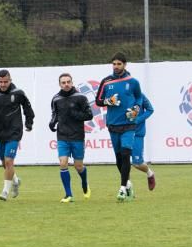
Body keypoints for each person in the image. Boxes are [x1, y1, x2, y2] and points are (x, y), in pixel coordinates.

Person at [95, 53, 145, 202]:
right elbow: (98, 101)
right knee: (118, 158)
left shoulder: (133, 82)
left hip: (129, 124)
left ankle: (122, 188)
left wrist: (136, 108)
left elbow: (139, 98)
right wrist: (108, 101)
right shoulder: (106, 81)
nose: (116, 66)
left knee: (125, 154)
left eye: (119, 64)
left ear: (125, 65)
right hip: (113, 124)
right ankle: (128, 183)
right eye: (114, 64)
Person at [0, 69, 35, 201]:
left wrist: (29, 123)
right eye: (1, 82)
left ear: (10, 80)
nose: (3, 84)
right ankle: (15, 181)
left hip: (14, 131)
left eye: (5, 82)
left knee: (9, 160)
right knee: (4, 163)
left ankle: (5, 191)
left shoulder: (18, 93)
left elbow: (28, 108)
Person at [49, 73, 93, 202]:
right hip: (62, 136)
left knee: (78, 166)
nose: (66, 84)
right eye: (63, 82)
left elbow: (89, 115)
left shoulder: (80, 97)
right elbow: (54, 114)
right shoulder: (56, 99)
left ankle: (84, 182)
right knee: (63, 163)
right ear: (60, 84)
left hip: (77, 136)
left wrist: (76, 114)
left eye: (68, 82)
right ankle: (69, 195)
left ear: (72, 83)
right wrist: (52, 122)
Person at [132, 93, 157, 190]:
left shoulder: (140, 95)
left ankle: (150, 173)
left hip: (137, 133)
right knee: (121, 161)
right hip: (122, 132)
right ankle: (127, 187)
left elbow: (150, 110)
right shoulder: (120, 95)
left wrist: (138, 119)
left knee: (137, 163)